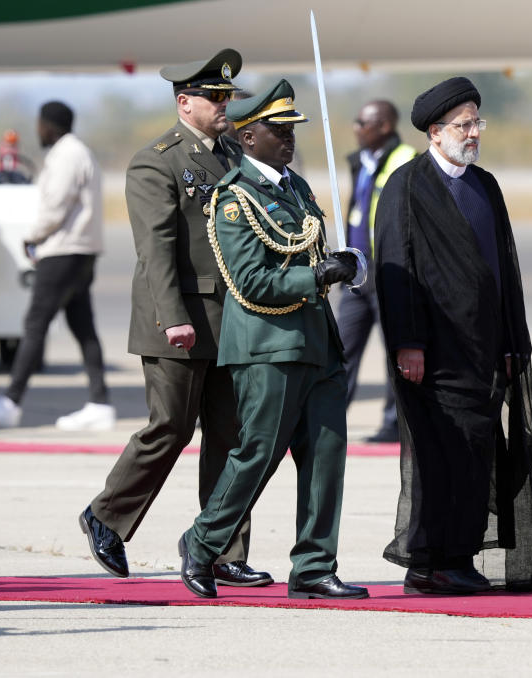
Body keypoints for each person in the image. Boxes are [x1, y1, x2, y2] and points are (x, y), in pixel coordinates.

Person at [79, 49, 271, 588]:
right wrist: (172, 318)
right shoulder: (156, 160)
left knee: (231, 437)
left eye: (227, 96)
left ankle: (220, 547)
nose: (223, 105)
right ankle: (106, 515)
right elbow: (156, 249)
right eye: (214, 97)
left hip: (233, 318)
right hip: (180, 321)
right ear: (184, 102)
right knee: (170, 428)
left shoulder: (235, 154)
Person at [177, 79, 367, 600]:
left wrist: (344, 266)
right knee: (258, 453)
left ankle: (313, 566)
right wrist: (322, 276)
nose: (288, 139)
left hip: (316, 343)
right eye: (276, 130)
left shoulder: (296, 189)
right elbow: (252, 281)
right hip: (268, 345)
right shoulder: (235, 199)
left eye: (291, 130)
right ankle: (202, 541)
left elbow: (312, 252)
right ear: (246, 136)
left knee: (326, 456)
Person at [374, 77, 532, 595]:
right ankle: (430, 560)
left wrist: (513, 341)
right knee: (440, 456)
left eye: (477, 123)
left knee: (478, 455)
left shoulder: (484, 184)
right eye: (463, 125)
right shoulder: (407, 185)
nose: (473, 134)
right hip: (432, 353)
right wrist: (408, 343)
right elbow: (394, 267)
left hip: (485, 350)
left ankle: (457, 556)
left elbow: (505, 270)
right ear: (435, 132)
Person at [0, 102, 113, 431]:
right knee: (82, 325)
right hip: (81, 251)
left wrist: (31, 237)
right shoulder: (78, 152)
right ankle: (99, 402)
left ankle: (11, 402)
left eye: (40, 125)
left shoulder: (67, 156)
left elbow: (55, 206)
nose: (38, 131)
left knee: (35, 324)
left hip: (63, 251)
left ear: (49, 125)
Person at [339, 100, 416, 443]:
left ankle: (393, 423)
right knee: (341, 351)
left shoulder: (407, 161)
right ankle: (329, 419)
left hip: (389, 273)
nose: (356, 128)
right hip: (356, 275)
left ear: (384, 126)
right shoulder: (360, 162)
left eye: (362, 122)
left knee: (394, 354)